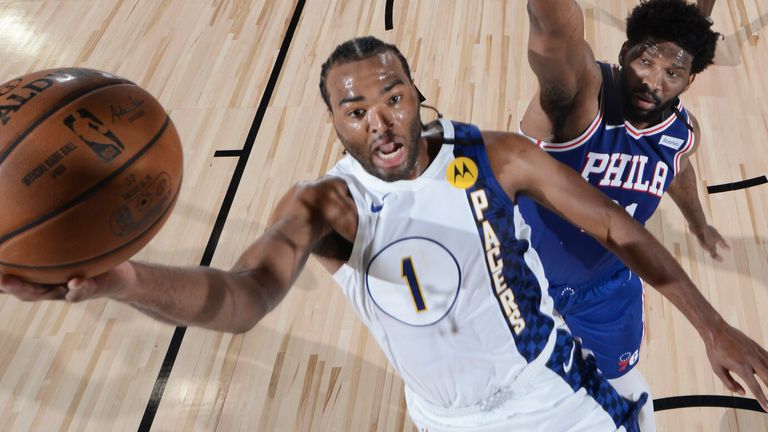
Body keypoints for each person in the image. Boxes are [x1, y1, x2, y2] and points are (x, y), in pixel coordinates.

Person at [2, 36, 766, 431]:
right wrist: (123, 281)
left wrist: (714, 325)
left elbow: (615, 228)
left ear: (415, 95)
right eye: (355, 109)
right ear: (334, 122)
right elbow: (241, 299)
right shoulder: (326, 205)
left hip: (555, 395)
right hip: (443, 417)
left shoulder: (499, 155)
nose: (380, 120)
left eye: (392, 97)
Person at [519, 0, 727, 428]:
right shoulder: (578, 98)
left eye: (672, 73)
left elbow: (678, 170)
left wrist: (699, 224)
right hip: (519, 279)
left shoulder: (680, 133)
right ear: (624, 51)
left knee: (622, 386)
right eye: (645, 60)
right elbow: (555, 31)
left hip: (608, 289)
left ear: (689, 81)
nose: (652, 80)